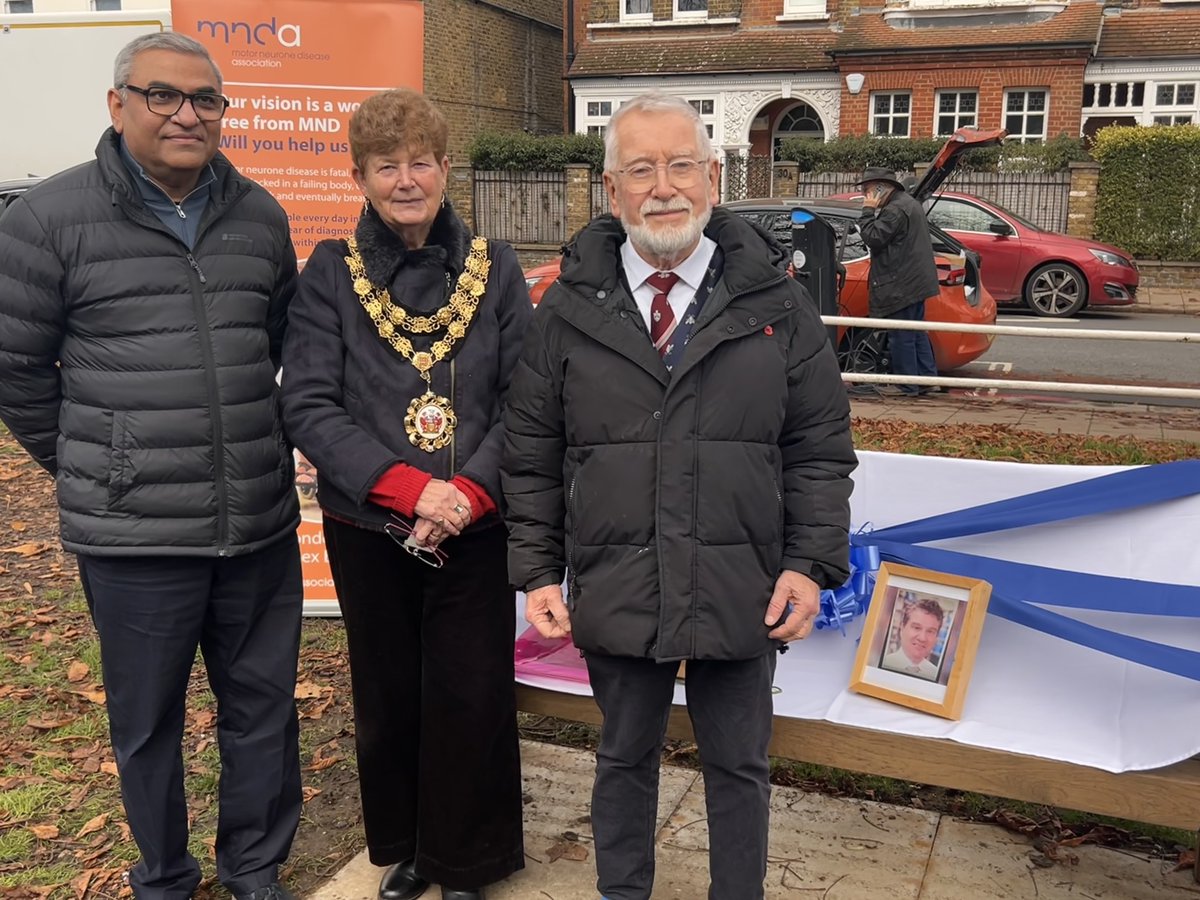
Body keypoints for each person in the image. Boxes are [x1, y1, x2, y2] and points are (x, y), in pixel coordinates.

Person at [501, 91, 857, 900]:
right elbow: (532, 453)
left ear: (714, 177)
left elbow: (818, 449)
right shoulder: (562, 310)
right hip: (618, 577)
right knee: (624, 758)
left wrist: (808, 564)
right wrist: (539, 573)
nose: (664, 187)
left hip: (746, 581)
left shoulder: (777, 303)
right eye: (641, 169)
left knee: (741, 765)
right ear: (612, 190)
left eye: (682, 165)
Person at [0, 33, 303, 900]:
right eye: (163, 95)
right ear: (118, 104)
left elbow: (278, 345)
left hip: (254, 521)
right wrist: (100, 467)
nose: (187, 114)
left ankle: (253, 869)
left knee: (262, 713)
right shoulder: (46, 221)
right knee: (147, 723)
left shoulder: (260, 216)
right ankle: (165, 877)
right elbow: (16, 370)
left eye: (206, 99)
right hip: (134, 538)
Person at [280, 89, 528, 900]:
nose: (407, 179)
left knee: (472, 691)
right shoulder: (328, 276)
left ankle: (468, 859)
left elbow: (528, 400)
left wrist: (467, 492)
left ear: (445, 168)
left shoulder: (497, 270)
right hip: (371, 524)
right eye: (387, 166)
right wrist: (410, 490)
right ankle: (413, 848)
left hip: (476, 521)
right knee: (391, 690)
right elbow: (308, 403)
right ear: (360, 177)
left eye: (421, 161)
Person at [856, 166, 942, 396]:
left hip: (902, 282)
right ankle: (926, 379)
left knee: (901, 335)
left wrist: (867, 211)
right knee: (915, 332)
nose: (865, 194)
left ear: (881, 188)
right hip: (915, 280)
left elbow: (873, 237)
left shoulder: (894, 210)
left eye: (867, 190)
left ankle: (907, 385)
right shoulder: (907, 203)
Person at [880, 599, 946, 680]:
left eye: (930, 631)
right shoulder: (882, 664)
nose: (922, 638)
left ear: (936, 637)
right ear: (902, 628)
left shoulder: (937, 676)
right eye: (916, 628)